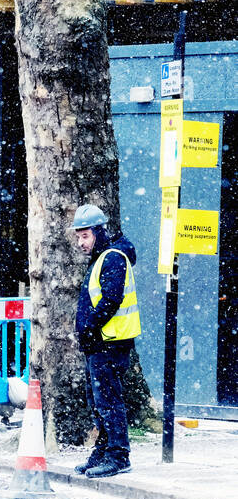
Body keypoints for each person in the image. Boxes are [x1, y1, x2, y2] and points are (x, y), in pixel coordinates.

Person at [71, 203, 140, 479]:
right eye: (78, 236)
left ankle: (118, 455)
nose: (80, 242)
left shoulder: (112, 257)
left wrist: (89, 326)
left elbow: (111, 299)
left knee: (108, 401)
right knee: (99, 400)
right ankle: (103, 450)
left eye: (85, 235)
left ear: (99, 232)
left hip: (109, 342)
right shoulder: (104, 256)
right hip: (101, 342)